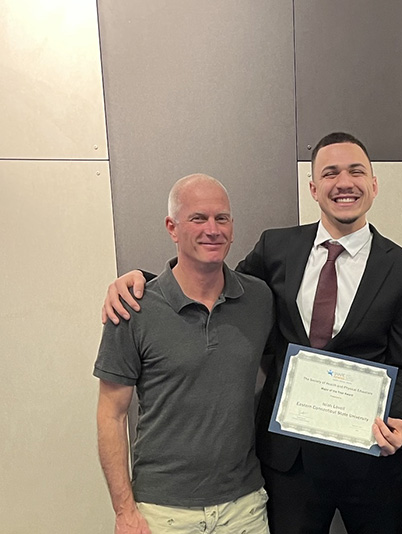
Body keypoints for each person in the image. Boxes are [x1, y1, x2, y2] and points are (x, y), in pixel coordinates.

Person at [101, 133, 402, 534]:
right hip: (290, 466)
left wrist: (398, 418)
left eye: (356, 171)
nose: (344, 182)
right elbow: (217, 285)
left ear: (374, 184)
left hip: (370, 461)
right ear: (313, 187)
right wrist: (146, 285)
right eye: (330, 173)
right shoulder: (277, 248)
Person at [94, 174, 272, 534]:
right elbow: (110, 415)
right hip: (163, 513)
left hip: (244, 508)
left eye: (222, 218)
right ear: (172, 228)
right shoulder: (131, 308)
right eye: (198, 218)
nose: (213, 229)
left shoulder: (260, 299)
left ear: (233, 227)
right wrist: (124, 512)